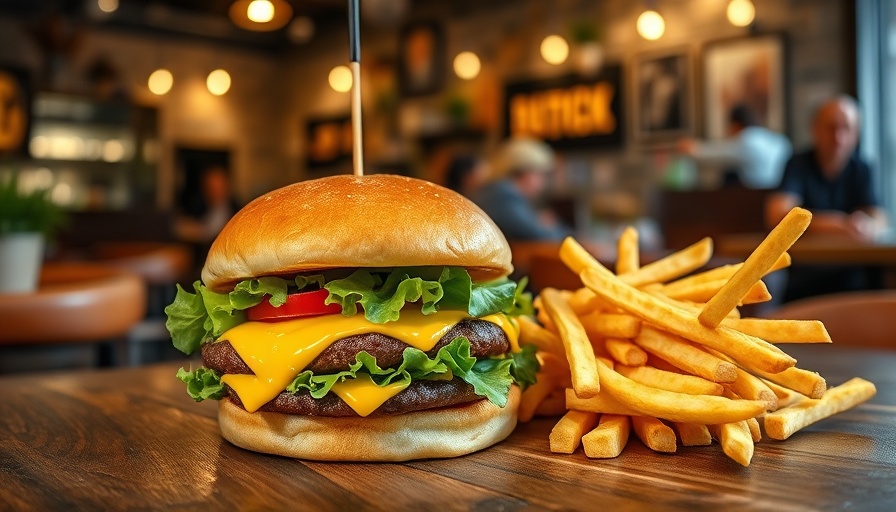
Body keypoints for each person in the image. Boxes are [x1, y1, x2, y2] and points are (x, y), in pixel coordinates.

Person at [765, 95, 889, 301]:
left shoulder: (862, 169)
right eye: (831, 127)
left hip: (853, 281)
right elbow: (777, 214)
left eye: (846, 128)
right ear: (815, 129)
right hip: (805, 280)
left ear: (856, 134)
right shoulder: (798, 164)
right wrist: (840, 224)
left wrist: (867, 224)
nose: (838, 137)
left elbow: (879, 216)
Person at [471, 137, 570, 242]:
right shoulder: (504, 194)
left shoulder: (497, 191)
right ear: (522, 171)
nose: (542, 183)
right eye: (540, 174)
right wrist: (549, 226)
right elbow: (539, 236)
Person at [678, 104, 792, 189]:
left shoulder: (747, 140)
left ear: (735, 124)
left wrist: (692, 149)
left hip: (756, 196)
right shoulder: (776, 139)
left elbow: (717, 154)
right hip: (779, 191)